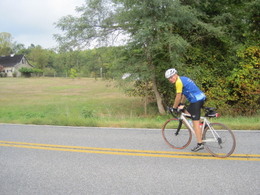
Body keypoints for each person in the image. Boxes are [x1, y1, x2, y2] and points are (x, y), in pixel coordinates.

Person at [165, 68, 206, 152]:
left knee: (195, 122)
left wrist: (174, 107)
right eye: (169, 78)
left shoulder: (178, 82)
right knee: (185, 111)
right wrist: (182, 104)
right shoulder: (184, 78)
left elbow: (178, 96)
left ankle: (200, 143)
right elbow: (184, 94)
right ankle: (201, 124)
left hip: (196, 101)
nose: (170, 79)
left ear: (175, 74)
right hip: (201, 97)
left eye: (171, 77)